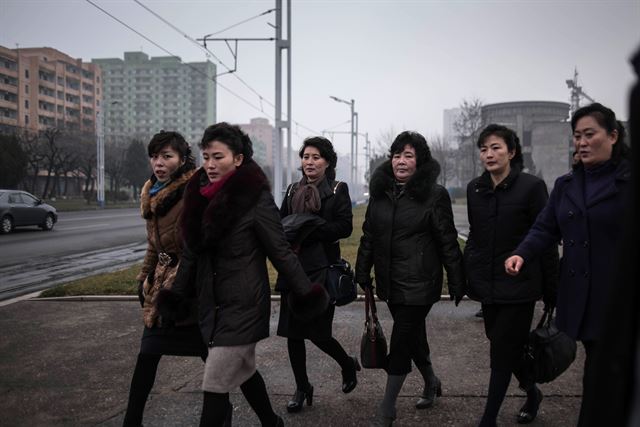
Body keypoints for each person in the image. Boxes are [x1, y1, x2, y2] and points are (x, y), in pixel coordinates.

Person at [157, 122, 329, 427]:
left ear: (238, 159)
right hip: (212, 305)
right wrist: (176, 296)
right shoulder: (199, 196)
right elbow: (191, 256)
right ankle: (271, 422)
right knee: (244, 371)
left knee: (215, 383)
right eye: (206, 156)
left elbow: (281, 250)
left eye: (218, 157)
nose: (210, 164)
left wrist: (307, 293)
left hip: (244, 306)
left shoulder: (255, 199)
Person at [505, 103, 631, 425]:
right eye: (577, 136)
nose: (582, 142)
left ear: (613, 136)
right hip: (582, 296)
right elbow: (546, 227)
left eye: (590, 134)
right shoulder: (567, 185)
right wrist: (523, 252)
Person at [355, 131, 465, 426]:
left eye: (408, 155)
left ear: (420, 161)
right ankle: (431, 381)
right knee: (414, 337)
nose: (401, 161)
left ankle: (387, 409)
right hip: (390, 283)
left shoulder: (434, 194)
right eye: (396, 155)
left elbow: (447, 239)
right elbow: (369, 235)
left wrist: (456, 279)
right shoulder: (380, 193)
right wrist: (362, 270)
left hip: (420, 284)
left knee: (401, 342)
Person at [464, 124, 559, 426]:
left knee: (502, 351)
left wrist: (552, 290)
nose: (489, 154)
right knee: (506, 345)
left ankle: (488, 419)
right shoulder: (474, 189)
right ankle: (532, 393)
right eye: (483, 149)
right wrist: (468, 278)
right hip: (488, 286)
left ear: (512, 152)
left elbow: (544, 239)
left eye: (496, 148)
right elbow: (476, 238)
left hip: (521, 285)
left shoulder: (531, 187)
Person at [123, 130, 205, 427]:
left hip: (189, 288)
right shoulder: (153, 192)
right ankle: (132, 421)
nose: (159, 163)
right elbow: (154, 244)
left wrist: (180, 285)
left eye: (167, 157)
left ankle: (237, 415)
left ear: (182, 160)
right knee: (148, 352)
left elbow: (196, 247)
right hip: (161, 285)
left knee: (216, 360)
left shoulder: (191, 193)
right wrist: (144, 276)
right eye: (155, 156)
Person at [275, 136, 359, 413]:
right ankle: (302, 387)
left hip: (321, 270)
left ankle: (347, 363)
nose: (309, 162)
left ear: (327, 162)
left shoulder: (337, 190)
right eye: (306, 157)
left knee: (319, 333)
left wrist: (309, 226)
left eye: (316, 157)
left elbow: (344, 227)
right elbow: (280, 226)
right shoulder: (291, 191)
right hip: (293, 270)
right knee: (292, 334)